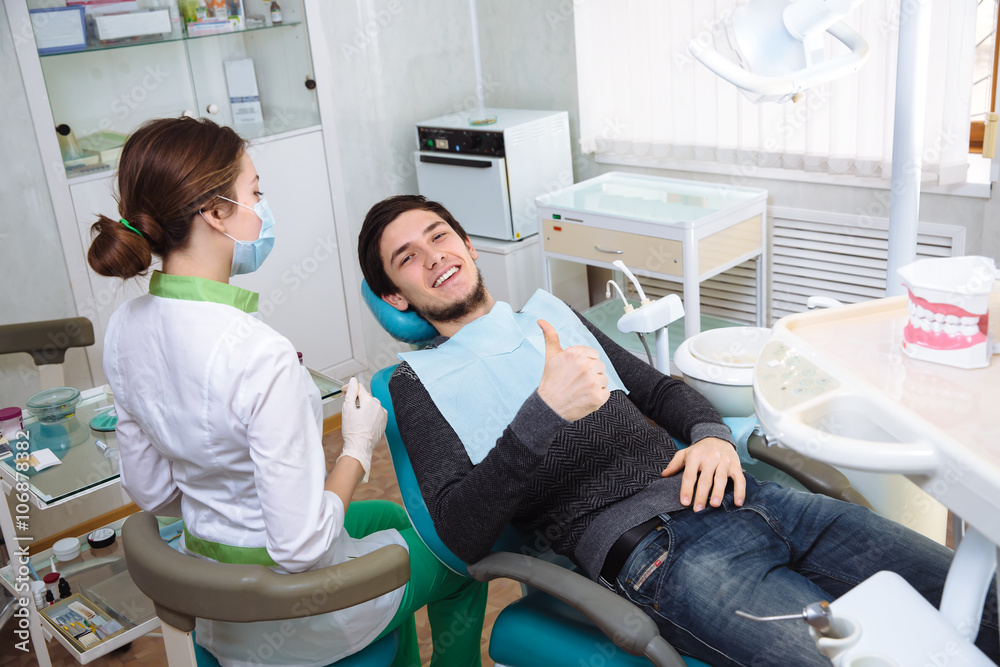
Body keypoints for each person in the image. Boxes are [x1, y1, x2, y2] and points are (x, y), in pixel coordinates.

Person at [358, 194, 1000, 667]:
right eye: (408, 259)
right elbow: (460, 532)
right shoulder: (416, 385)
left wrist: (713, 436)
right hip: (666, 553)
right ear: (397, 297)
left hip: (757, 499)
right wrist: (544, 411)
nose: (434, 257)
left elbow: (663, 392)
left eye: (441, 236)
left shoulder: (551, 316)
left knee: (980, 600)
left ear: (468, 245)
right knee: (851, 657)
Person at [88, 119, 486, 667]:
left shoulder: (124, 328)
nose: (262, 206)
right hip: (295, 618)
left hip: (212, 599)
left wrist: (229, 498)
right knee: (462, 555)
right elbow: (300, 549)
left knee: (394, 522)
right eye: (255, 192)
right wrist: (356, 446)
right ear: (216, 212)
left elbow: (153, 492)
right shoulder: (259, 354)